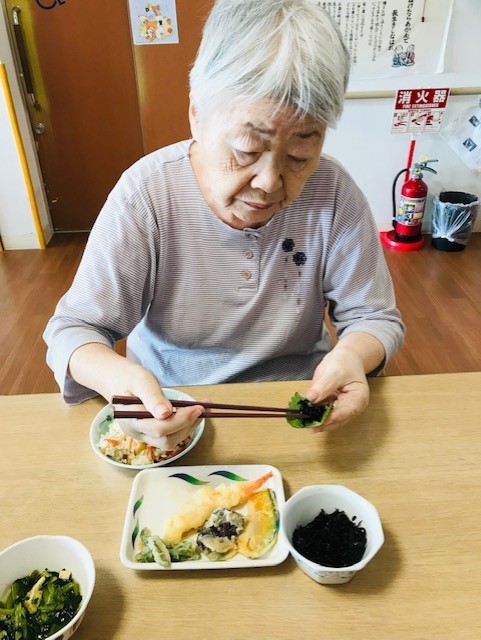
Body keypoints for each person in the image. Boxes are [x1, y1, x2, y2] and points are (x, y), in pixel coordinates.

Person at [44, 0, 405, 449]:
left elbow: (374, 316)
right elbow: (74, 331)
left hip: (298, 407)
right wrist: (121, 383)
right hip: (173, 410)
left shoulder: (333, 192)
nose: (270, 182)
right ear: (196, 115)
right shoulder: (148, 194)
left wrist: (352, 355)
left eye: (299, 156)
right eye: (247, 149)